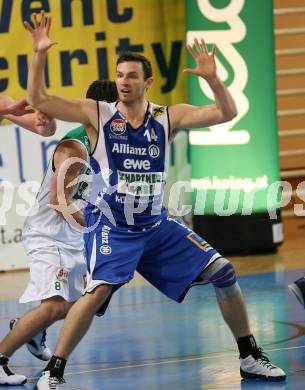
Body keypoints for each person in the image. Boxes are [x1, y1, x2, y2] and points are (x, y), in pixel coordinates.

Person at [24, 11, 286, 389]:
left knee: (224, 272)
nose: (124, 81)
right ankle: (54, 372)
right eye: (120, 75)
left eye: (132, 75)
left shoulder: (167, 117)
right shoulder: (98, 115)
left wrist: (213, 79)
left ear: (147, 81)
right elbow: (39, 98)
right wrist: (40, 54)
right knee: (97, 292)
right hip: (113, 224)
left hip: (154, 223)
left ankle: (248, 355)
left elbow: (227, 112)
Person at [0, 80, 118, 386]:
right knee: (54, 306)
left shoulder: (107, 145)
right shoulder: (74, 147)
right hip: (48, 234)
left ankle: (30, 328)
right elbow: (59, 202)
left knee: (83, 305)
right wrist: (94, 228)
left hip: (72, 238)